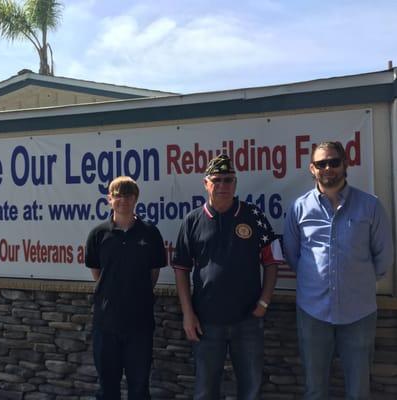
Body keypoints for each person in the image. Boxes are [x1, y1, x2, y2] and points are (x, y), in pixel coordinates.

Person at [283, 141, 394, 400]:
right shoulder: (299, 208)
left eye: (334, 162)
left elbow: (384, 257)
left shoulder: (370, 206)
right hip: (313, 312)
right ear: (312, 168)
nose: (328, 168)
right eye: (321, 164)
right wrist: (316, 280)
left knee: (358, 391)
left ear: (346, 164)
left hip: (359, 313)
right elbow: (293, 255)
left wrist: (358, 282)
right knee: (315, 389)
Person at [173, 154, 284, 400]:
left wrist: (264, 303)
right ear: (206, 183)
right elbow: (181, 268)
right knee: (205, 391)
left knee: (250, 390)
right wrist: (188, 314)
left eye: (229, 180)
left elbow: (272, 260)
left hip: (248, 321)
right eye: (217, 180)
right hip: (206, 321)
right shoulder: (192, 221)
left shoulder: (253, 215)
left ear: (235, 183)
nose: (223, 185)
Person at [85, 176, 167, 400]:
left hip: (139, 325)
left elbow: (153, 272)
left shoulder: (150, 233)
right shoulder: (98, 234)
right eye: (118, 195)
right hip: (106, 324)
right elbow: (97, 272)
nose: (123, 200)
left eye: (128, 195)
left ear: (136, 199)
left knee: (139, 388)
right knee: (107, 388)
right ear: (109, 199)